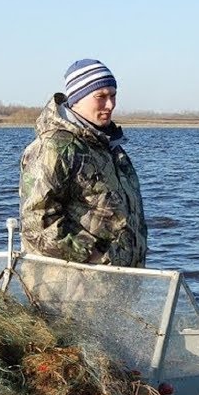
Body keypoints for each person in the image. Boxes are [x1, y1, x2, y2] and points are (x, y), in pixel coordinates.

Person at [19, 58, 148, 267]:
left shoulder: (110, 147)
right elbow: (36, 223)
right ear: (77, 99)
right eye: (101, 96)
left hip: (122, 282)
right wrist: (95, 257)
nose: (110, 104)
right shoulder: (54, 147)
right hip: (75, 287)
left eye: (113, 95)